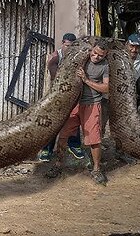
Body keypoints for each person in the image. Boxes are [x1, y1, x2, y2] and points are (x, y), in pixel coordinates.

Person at [49, 39, 110, 185]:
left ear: (105, 55)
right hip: (74, 104)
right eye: (94, 53)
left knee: (94, 140)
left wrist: (86, 80)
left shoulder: (104, 66)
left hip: (92, 104)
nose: (96, 57)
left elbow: (106, 88)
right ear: (91, 49)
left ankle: (96, 169)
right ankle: (58, 166)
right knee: (63, 136)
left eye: (100, 56)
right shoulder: (82, 58)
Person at [38, 33, 84, 162]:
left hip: (73, 92)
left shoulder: (78, 55)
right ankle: (47, 149)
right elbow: (57, 78)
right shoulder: (55, 58)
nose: (69, 49)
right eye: (67, 45)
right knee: (53, 122)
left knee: (74, 119)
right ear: (63, 43)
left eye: (72, 46)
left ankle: (74, 145)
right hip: (57, 92)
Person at [101, 33, 140, 165]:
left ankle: (120, 153)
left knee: (123, 127)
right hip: (106, 96)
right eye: (132, 46)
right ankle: (97, 153)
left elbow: (129, 81)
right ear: (127, 44)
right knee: (100, 125)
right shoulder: (113, 55)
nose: (134, 50)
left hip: (122, 101)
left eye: (137, 47)